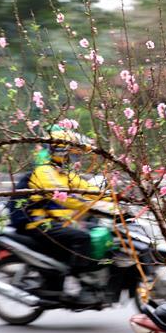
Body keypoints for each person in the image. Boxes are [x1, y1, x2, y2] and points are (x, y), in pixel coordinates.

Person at [7, 128, 107, 306]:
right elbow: (66, 197)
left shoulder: (61, 172)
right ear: (60, 151)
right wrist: (89, 204)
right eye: (71, 154)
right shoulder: (44, 171)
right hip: (37, 224)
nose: (75, 159)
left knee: (97, 231)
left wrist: (112, 198)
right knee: (82, 237)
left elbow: (84, 188)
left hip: (54, 221)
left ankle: (92, 281)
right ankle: (76, 285)